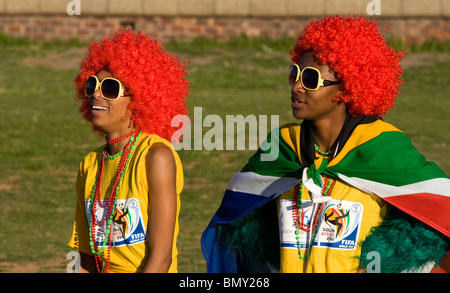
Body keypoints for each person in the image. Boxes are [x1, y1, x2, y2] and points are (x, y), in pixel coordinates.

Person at [201, 15, 450, 273]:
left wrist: (381, 262)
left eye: (310, 79)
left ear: (346, 89)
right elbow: (238, 215)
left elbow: (441, 211)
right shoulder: (282, 148)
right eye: (294, 73)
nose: (297, 86)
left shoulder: (382, 147)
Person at [68, 29, 189, 273]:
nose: (96, 95)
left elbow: (161, 258)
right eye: (92, 85)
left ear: (138, 99)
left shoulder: (156, 156)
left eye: (110, 89)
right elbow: (85, 258)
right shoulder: (90, 164)